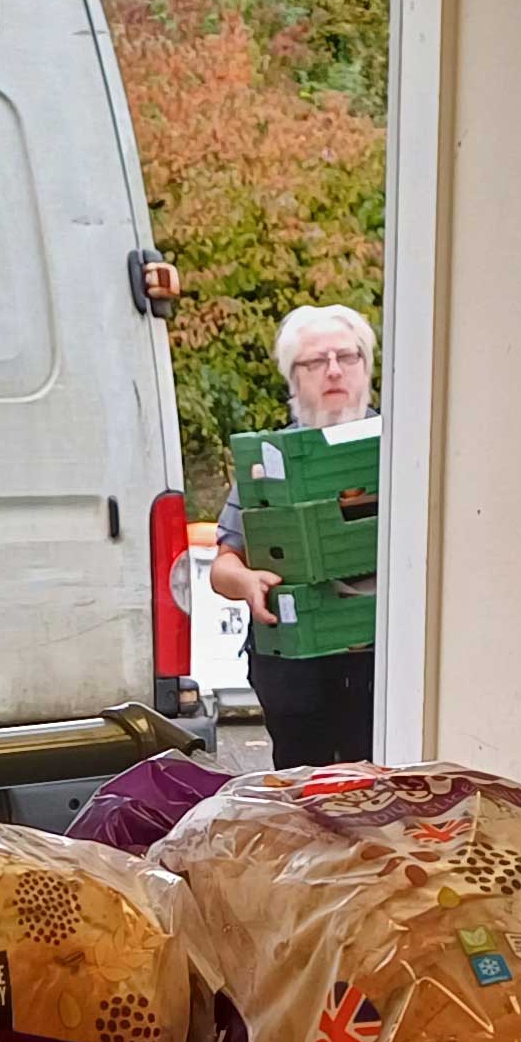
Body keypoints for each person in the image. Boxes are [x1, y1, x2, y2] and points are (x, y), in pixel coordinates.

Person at [210, 305, 379, 767]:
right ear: (293, 379)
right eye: (314, 362)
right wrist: (247, 583)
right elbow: (224, 566)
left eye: (347, 357)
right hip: (298, 669)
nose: (333, 371)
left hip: (381, 662)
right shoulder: (269, 462)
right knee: (306, 792)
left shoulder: (408, 445)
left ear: (366, 367)